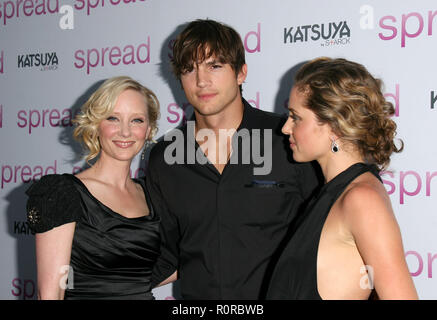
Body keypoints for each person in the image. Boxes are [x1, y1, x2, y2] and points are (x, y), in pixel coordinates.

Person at [145, 19, 320, 299]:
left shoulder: (287, 140)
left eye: (214, 66)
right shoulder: (164, 158)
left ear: (241, 72)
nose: (201, 80)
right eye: (189, 69)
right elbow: (166, 253)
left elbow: (328, 234)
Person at [266, 57, 418, 300]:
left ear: (335, 126)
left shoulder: (361, 199)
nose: (285, 128)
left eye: (296, 117)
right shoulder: (330, 194)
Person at [26, 76, 161, 299]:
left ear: (148, 129)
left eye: (136, 120)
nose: (125, 132)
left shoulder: (152, 193)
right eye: (113, 118)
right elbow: (51, 293)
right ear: (96, 124)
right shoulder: (62, 193)